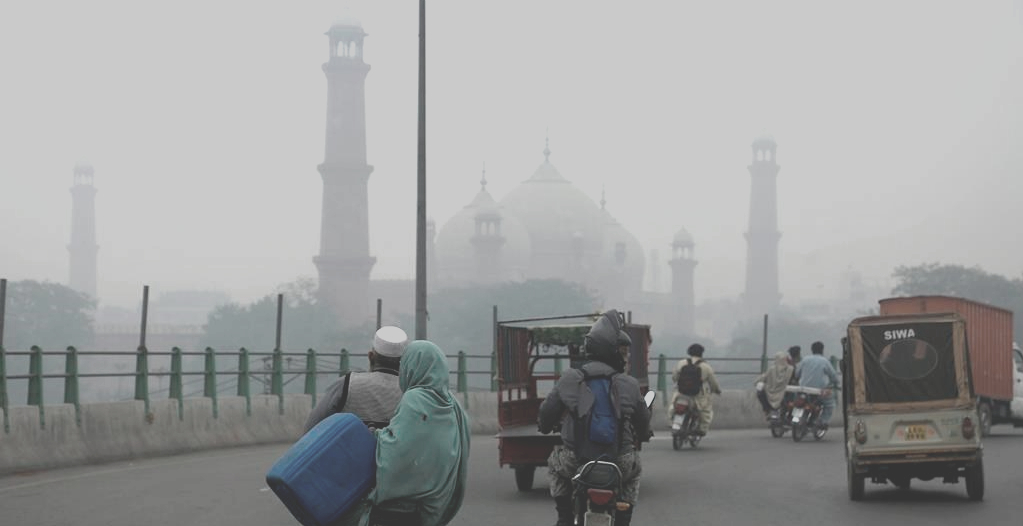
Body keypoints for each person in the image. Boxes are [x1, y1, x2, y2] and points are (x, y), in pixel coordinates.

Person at [538, 309, 651, 526]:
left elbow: (546, 413)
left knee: (554, 464)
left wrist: (544, 426)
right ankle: (623, 520)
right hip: (620, 461)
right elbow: (643, 421)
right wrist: (644, 434)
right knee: (635, 470)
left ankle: (564, 517)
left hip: (575, 460)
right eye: (623, 352)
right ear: (611, 351)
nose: (626, 358)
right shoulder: (629, 384)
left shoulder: (571, 378)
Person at [362, 340, 471, 526]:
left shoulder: (415, 399)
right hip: (433, 506)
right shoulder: (455, 407)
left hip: (399, 509)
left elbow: (396, 450)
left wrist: (373, 434)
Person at [303, 325, 409, 433]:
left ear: (370, 356)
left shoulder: (347, 383)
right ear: (404, 361)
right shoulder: (411, 392)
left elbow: (312, 427)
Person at [671, 343, 722, 436]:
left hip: (681, 393)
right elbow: (713, 383)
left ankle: (674, 424)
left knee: (673, 406)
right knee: (706, 411)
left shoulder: (681, 363)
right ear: (701, 353)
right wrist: (717, 390)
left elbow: (674, 377)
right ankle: (701, 429)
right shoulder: (706, 367)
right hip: (698, 395)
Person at [795, 341, 840, 429]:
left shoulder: (805, 359)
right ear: (822, 350)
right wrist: (836, 382)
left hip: (803, 389)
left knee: (797, 402)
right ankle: (823, 421)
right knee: (829, 404)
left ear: (812, 350)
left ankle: (797, 418)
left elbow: (797, 373)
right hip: (818, 391)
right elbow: (833, 375)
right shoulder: (824, 361)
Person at [755, 351, 795, 418]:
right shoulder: (791, 369)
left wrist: (757, 382)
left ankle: (767, 411)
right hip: (785, 392)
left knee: (760, 392)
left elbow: (763, 377)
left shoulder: (771, 369)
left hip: (771, 392)